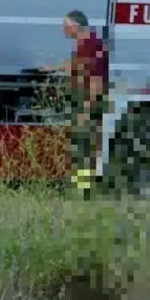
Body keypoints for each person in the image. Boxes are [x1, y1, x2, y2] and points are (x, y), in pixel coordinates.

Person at [40, 10, 108, 190]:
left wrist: (87, 109)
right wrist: (52, 68)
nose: (64, 30)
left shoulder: (91, 45)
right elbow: (76, 64)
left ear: (75, 27)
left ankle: (85, 187)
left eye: (66, 26)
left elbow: (96, 80)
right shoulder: (85, 43)